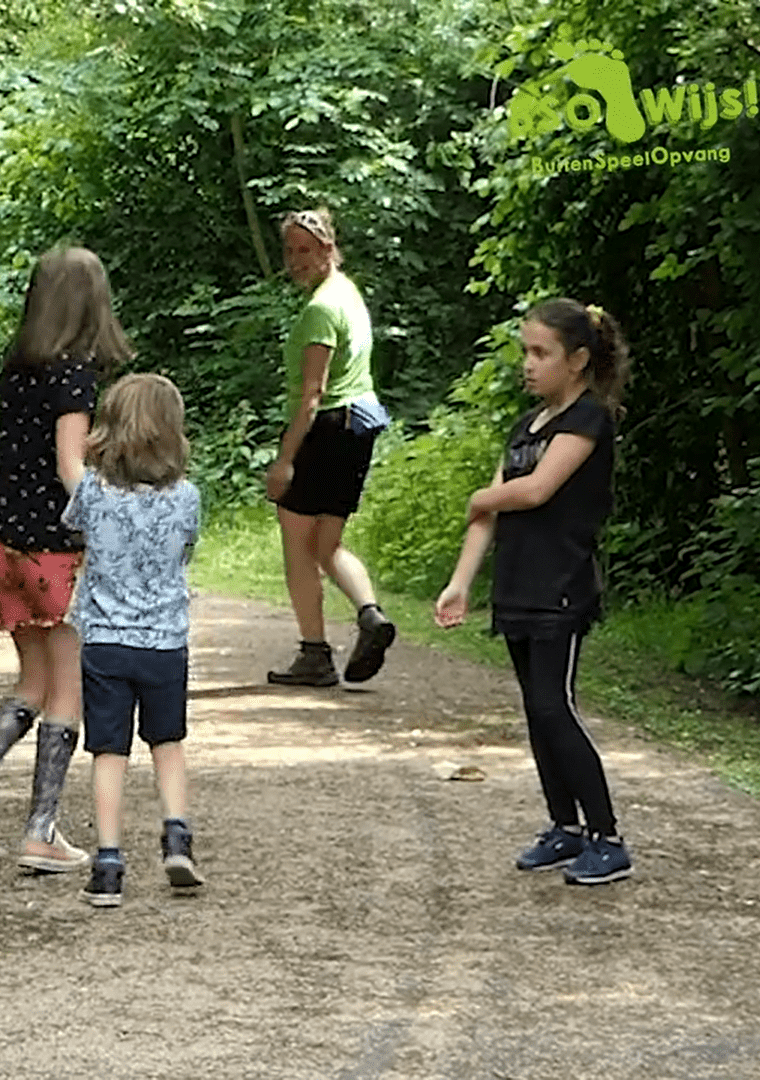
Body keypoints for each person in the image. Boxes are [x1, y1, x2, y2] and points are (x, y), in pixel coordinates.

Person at [0, 246, 129, 874]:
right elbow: (70, 468)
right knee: (68, 686)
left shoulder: (15, 369)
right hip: (54, 548)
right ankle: (41, 831)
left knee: (33, 681)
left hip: (6, 542)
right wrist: (110, 525)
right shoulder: (74, 374)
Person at [433, 298, 634, 886]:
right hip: (517, 587)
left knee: (554, 706)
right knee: (536, 711)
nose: (528, 364)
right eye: (526, 351)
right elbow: (489, 515)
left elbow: (535, 490)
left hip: (561, 588)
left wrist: (480, 496)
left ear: (577, 360)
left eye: (541, 353)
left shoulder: (588, 419)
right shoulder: (526, 428)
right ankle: (564, 827)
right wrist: (459, 583)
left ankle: (607, 838)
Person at [60, 374, 203, 906]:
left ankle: (108, 863)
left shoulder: (92, 492)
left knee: (109, 750)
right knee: (167, 742)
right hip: (164, 641)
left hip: (106, 642)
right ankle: (177, 836)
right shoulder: (186, 497)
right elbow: (185, 550)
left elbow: (74, 530)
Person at [266, 208, 397, 688]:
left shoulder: (320, 309)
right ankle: (370, 614)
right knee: (327, 544)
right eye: (290, 251)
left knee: (297, 543)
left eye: (306, 249)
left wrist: (285, 460)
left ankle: (314, 653)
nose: (296, 260)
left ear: (328, 247)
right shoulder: (348, 293)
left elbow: (313, 393)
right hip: (360, 424)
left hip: (326, 428)